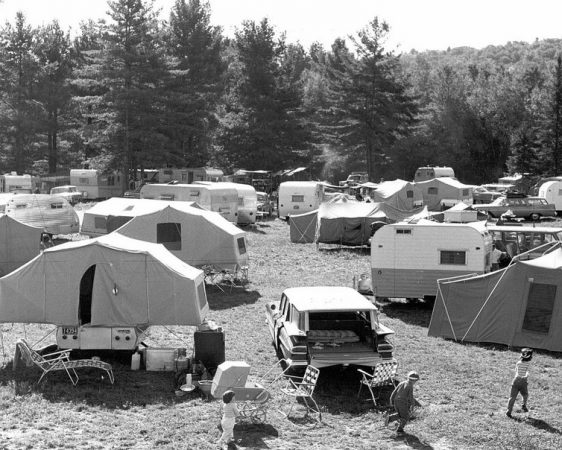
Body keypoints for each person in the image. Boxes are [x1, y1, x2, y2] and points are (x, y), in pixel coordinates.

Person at [506, 348, 533, 418]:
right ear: (530, 357)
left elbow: (516, 371)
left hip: (516, 380)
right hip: (523, 381)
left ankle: (508, 411)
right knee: (525, 395)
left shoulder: (518, 363)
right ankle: (523, 405)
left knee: (512, 397)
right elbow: (528, 372)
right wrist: (526, 375)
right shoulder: (529, 364)